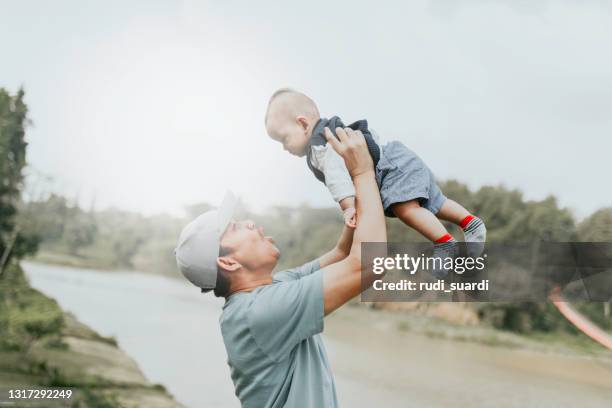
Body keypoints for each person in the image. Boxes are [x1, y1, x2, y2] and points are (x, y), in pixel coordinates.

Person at [175, 127, 386, 408]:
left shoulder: (271, 290)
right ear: (228, 262)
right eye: (235, 227)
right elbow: (369, 264)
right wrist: (363, 173)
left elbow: (342, 254)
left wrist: (351, 207)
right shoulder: (261, 312)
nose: (249, 222)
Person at [265, 88, 487, 276]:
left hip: (389, 169)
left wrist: (348, 207)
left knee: (406, 209)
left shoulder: (320, 145)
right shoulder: (331, 130)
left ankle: (445, 243)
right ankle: (470, 222)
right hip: (398, 159)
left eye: (284, 139)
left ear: (303, 124)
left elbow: (337, 178)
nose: (285, 148)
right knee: (435, 204)